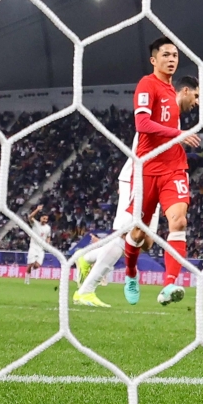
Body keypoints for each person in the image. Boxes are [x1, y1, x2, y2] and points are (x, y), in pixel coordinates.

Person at [123, 38, 200, 306]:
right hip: (147, 168)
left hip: (174, 169)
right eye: (166, 54)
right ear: (154, 60)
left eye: (175, 55)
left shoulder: (172, 91)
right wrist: (178, 133)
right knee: (138, 234)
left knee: (179, 221)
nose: (172, 59)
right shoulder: (147, 85)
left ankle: (169, 285)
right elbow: (142, 123)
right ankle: (131, 273)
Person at [74, 132, 164, 307]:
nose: (197, 102)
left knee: (146, 243)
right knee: (126, 237)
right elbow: (145, 130)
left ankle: (88, 257)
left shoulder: (175, 117)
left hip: (158, 181)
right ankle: (86, 291)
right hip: (139, 178)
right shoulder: (156, 109)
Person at [25, 206, 51, 285]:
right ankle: (27, 278)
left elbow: (48, 236)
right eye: (44, 218)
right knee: (30, 264)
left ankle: (31, 270)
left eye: (46, 219)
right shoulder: (35, 223)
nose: (45, 220)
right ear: (40, 218)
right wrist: (37, 209)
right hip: (33, 246)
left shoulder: (48, 228)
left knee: (37, 265)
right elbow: (30, 217)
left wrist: (48, 243)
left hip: (41, 249)